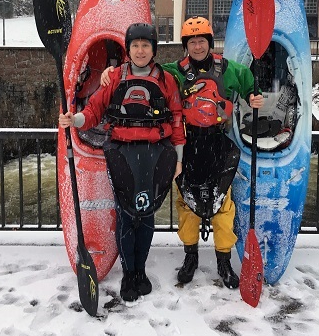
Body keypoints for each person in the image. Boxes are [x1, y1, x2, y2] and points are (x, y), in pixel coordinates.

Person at [101, 16, 263, 290]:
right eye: (192, 41)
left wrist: (253, 96)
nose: (197, 46)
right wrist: (112, 70)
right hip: (188, 145)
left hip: (218, 144)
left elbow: (249, 84)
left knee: (223, 205)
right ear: (185, 45)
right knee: (187, 205)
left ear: (209, 43)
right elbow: (143, 68)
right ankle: (191, 257)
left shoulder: (229, 69)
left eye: (202, 41)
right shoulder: (174, 71)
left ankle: (223, 261)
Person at [59, 23, 185, 303]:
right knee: (127, 214)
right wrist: (75, 120)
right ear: (128, 49)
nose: (140, 51)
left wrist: (178, 158)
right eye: (135, 45)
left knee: (147, 213)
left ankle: (141, 270)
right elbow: (93, 110)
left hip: (156, 152)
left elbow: (176, 119)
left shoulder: (166, 79)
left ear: (153, 49)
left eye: (146, 45)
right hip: (122, 152)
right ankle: (129, 273)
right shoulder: (114, 77)